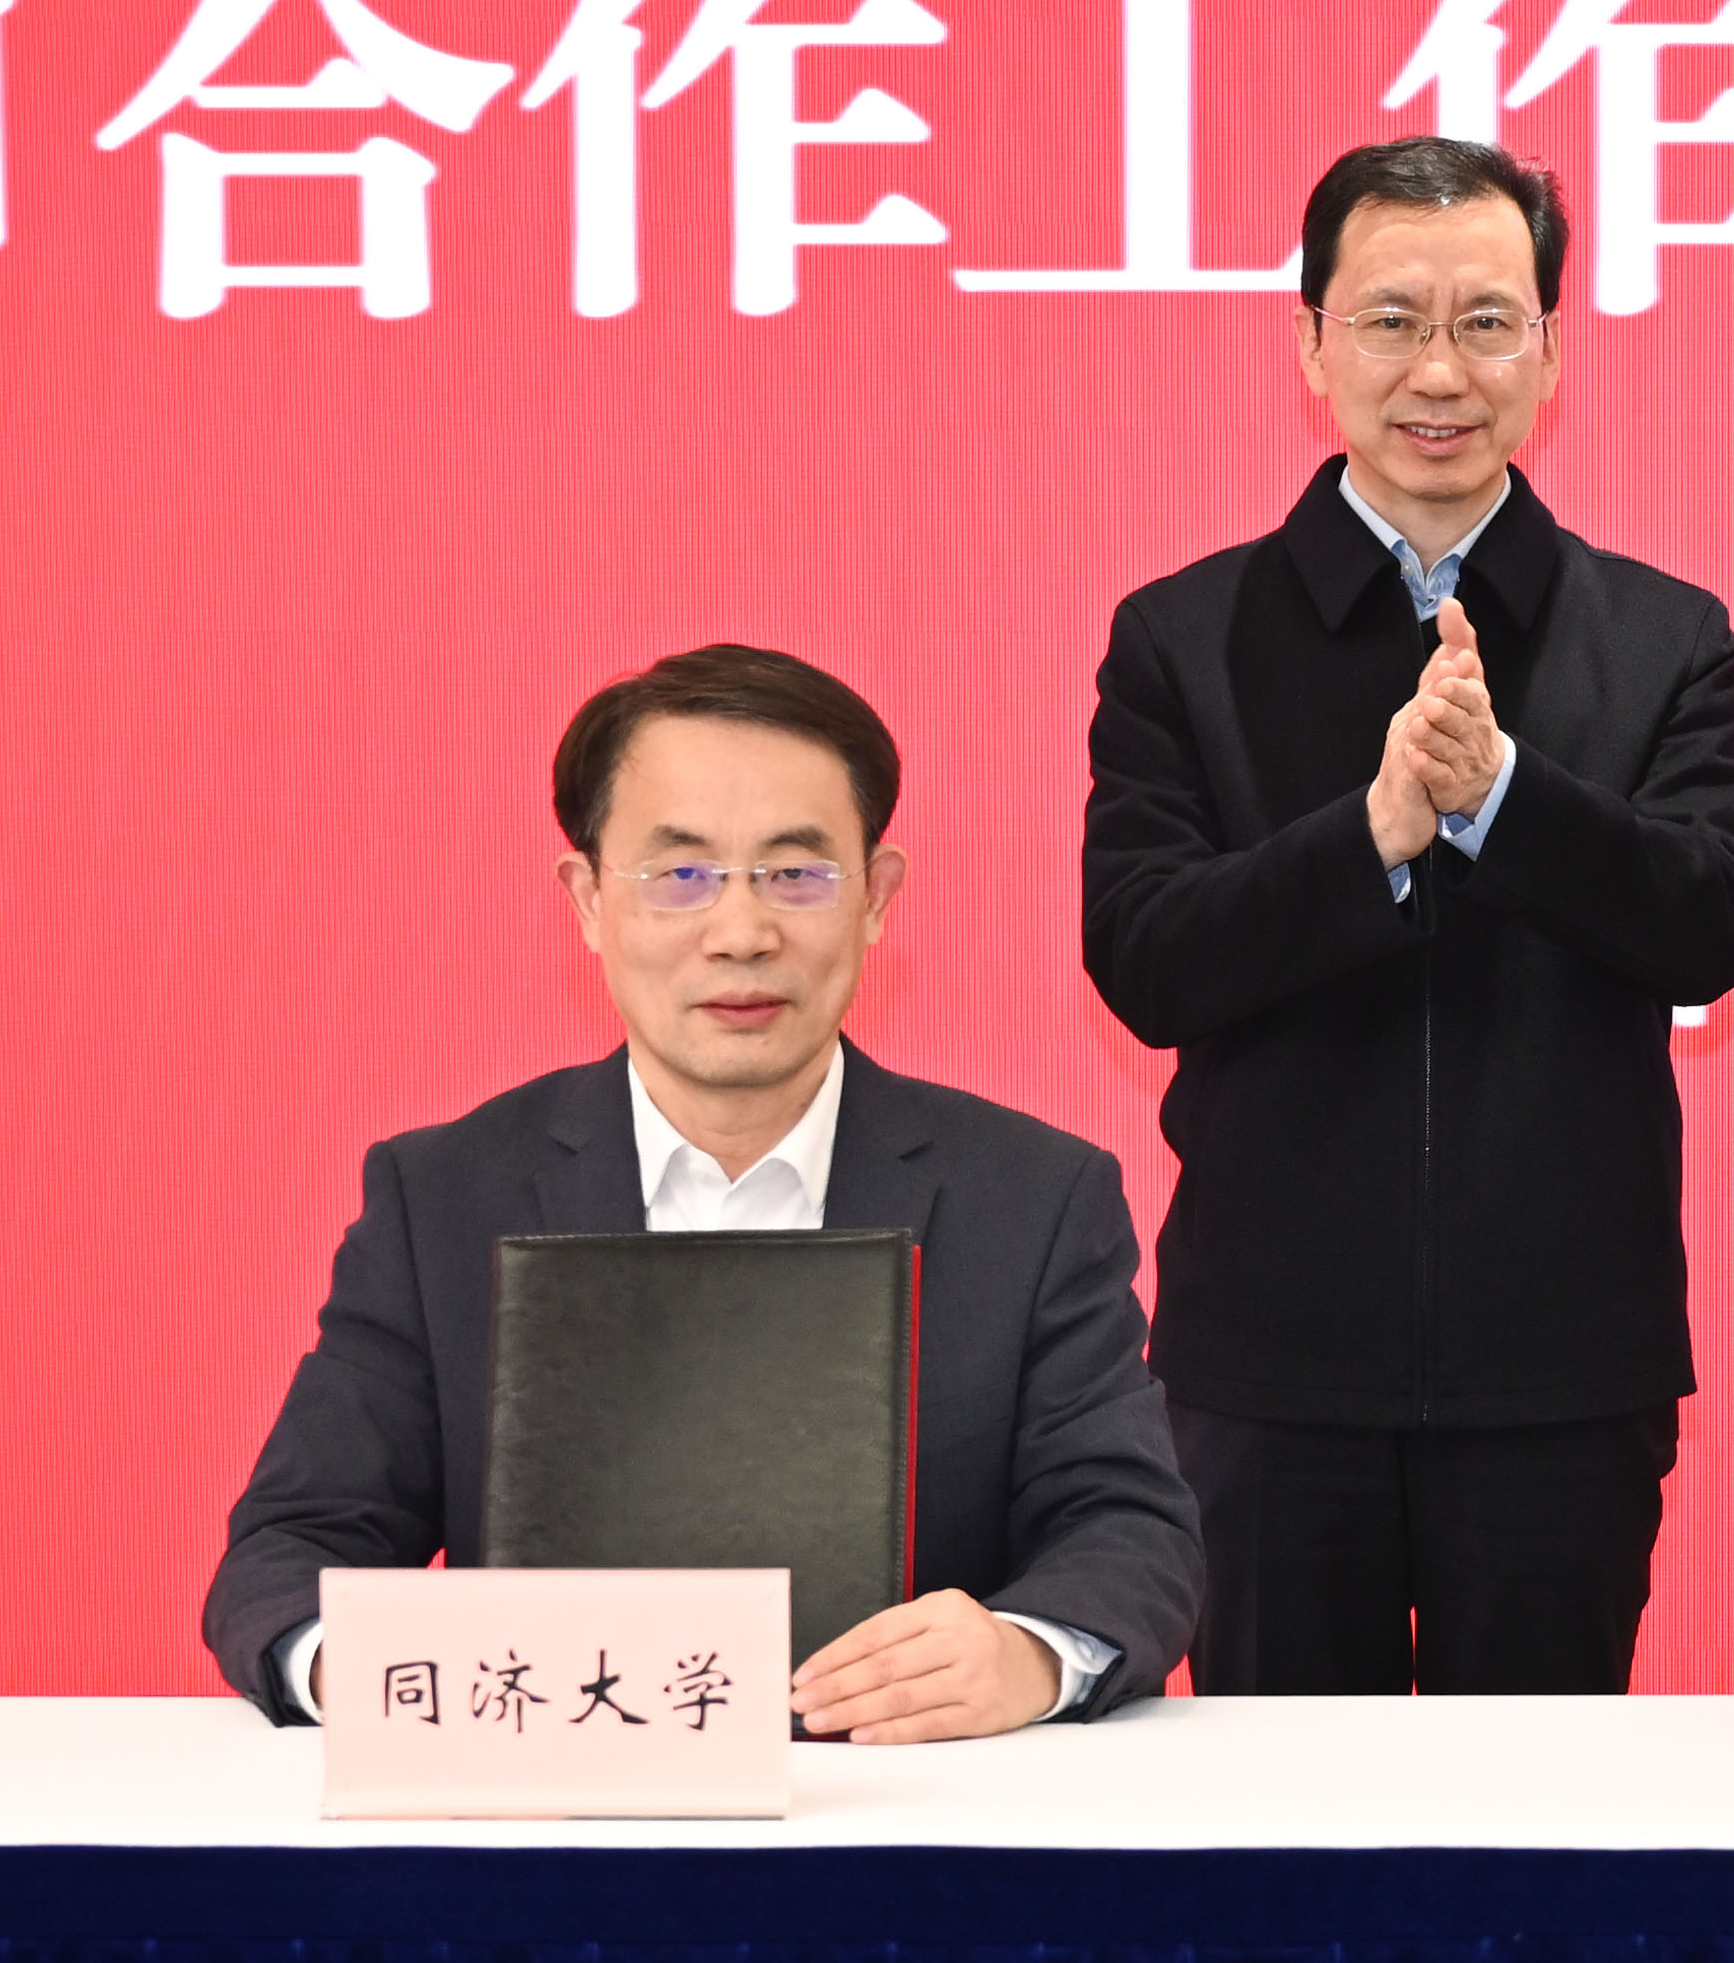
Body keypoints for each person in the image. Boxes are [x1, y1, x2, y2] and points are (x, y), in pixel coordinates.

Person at [207, 642, 1200, 1739]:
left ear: (876, 896)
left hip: (902, 1795)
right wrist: (368, 1673)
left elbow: (1129, 1528)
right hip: (558, 1799)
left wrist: (1029, 1649)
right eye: (679, 875)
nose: (741, 933)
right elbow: (292, 1549)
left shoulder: (1032, 1195)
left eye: (797, 873)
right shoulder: (443, 1194)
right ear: (588, 899)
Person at [1080, 135, 1734, 1690]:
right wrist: (1377, 830)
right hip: (1268, 1366)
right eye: (1391, 319)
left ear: (1549, 351)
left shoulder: (1660, 635)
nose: (1439, 370)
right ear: (1310, 342)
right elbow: (1144, 957)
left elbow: (1711, 924)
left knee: (1536, 1817)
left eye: (1486, 322)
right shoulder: (1180, 636)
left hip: (1562, 1366)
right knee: (1275, 1811)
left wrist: (1502, 798)